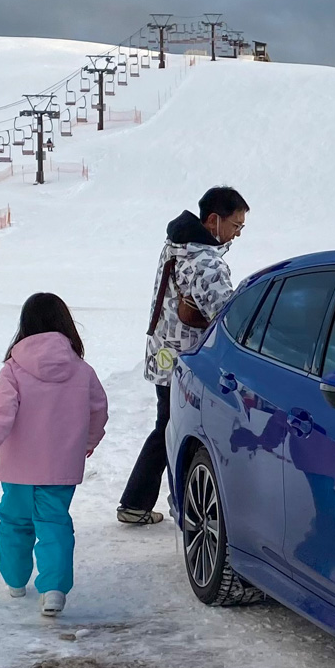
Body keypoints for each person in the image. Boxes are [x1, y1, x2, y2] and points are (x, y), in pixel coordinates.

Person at [0, 292, 109, 618]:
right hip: (60, 466)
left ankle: (15, 580)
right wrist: (87, 442)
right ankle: (54, 590)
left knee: (14, 522)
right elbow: (98, 411)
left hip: (18, 467)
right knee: (55, 524)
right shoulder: (82, 371)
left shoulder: (14, 370)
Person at [118, 186, 248, 525]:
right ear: (213, 220)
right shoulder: (205, 262)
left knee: (167, 425)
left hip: (162, 352)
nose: (238, 233)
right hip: (187, 360)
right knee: (178, 430)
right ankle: (159, 504)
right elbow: (227, 315)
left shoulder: (175, 245)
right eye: (235, 225)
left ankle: (138, 502)